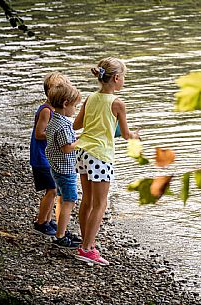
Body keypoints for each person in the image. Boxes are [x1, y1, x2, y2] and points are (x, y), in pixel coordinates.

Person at [73, 57, 139, 265]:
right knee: (101, 204)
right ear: (117, 78)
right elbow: (127, 135)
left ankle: (86, 243)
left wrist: (104, 126)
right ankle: (87, 249)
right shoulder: (118, 103)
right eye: (124, 78)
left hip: (83, 153)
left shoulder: (90, 98)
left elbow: (77, 125)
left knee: (87, 201)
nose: (124, 81)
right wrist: (134, 136)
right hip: (100, 156)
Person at [30, 72, 70, 236]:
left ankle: (47, 219)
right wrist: (55, 133)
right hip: (42, 158)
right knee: (52, 190)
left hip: (48, 157)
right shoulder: (46, 111)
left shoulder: (55, 110)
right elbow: (39, 133)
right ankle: (41, 222)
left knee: (53, 189)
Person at [45, 82, 82, 248]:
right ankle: (60, 236)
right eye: (75, 106)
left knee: (61, 199)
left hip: (56, 168)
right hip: (66, 170)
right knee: (70, 200)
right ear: (66, 104)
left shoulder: (53, 119)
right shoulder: (64, 124)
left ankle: (61, 229)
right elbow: (67, 148)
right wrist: (82, 141)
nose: (75, 110)